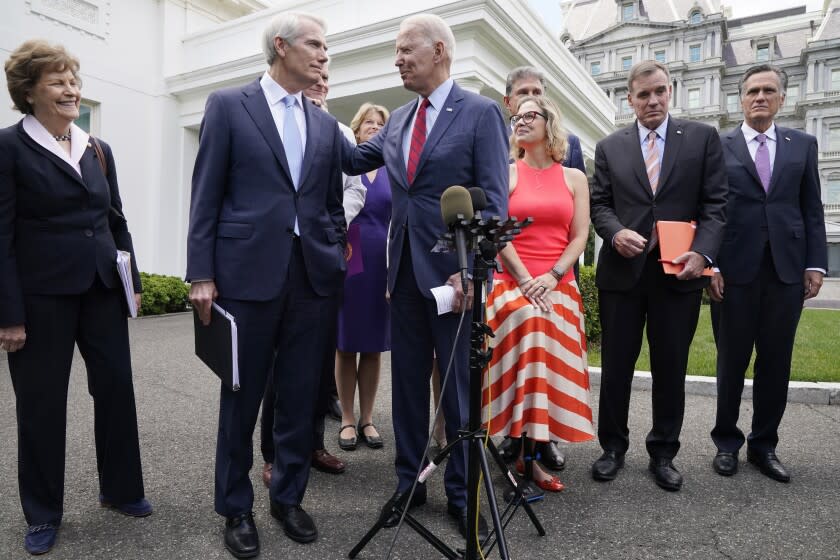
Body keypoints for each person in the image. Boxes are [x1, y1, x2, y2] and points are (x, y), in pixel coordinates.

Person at [341, 13, 509, 539]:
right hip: (405, 276)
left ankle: (462, 493)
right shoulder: (397, 120)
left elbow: (494, 201)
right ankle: (409, 483)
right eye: (396, 51)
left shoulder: (480, 113)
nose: (397, 59)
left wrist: (469, 272)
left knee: (458, 390)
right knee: (409, 387)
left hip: (455, 281)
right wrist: (307, 110)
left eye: (404, 50)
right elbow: (351, 157)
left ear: (439, 50)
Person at [186, 12, 345, 556]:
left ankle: (287, 497)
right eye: (316, 45)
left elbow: (327, 202)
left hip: (312, 277)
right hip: (244, 276)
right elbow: (206, 193)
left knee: (300, 396)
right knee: (241, 395)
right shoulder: (229, 105)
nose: (325, 55)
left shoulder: (324, 123)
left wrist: (334, 247)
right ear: (281, 46)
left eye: (327, 47)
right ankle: (235, 508)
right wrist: (201, 272)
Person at [0, 40, 151, 555]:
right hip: (42, 298)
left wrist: (131, 285)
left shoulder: (97, 147)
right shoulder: (8, 147)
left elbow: (116, 220)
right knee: (42, 405)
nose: (71, 88)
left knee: (116, 389)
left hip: (102, 290)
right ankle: (43, 512)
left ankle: (122, 489)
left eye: (74, 79)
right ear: (29, 90)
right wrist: (9, 315)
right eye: (58, 80)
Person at [590, 60, 727, 492]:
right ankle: (612, 448)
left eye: (660, 92)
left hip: (678, 276)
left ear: (671, 92)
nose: (653, 101)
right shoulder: (611, 146)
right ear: (628, 99)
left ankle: (664, 452)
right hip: (622, 276)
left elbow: (717, 206)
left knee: (671, 368)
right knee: (616, 368)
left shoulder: (702, 138)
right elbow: (599, 205)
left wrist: (703, 252)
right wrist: (614, 234)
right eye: (643, 94)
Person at [709, 64, 827, 482]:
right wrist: (712, 264)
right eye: (753, 91)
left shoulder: (803, 144)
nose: (760, 97)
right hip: (733, 272)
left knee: (776, 362)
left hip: (786, 271)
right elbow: (710, 210)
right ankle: (726, 443)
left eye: (768, 91)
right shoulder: (717, 146)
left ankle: (764, 446)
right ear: (740, 98)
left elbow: (812, 208)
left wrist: (815, 263)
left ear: (782, 98)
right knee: (731, 362)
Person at [259, 63, 366, 485]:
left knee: (319, 361)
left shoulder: (337, 132)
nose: (320, 85)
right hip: (279, 258)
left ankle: (313, 444)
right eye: (315, 79)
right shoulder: (274, 119)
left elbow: (354, 188)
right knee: (278, 367)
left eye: (326, 82)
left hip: (323, 258)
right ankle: (273, 453)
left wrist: (332, 231)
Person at [482, 96, 595, 493]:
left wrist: (553, 275)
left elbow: (580, 234)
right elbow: (494, 230)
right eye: (517, 117)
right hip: (513, 286)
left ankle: (531, 457)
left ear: (551, 123)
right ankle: (517, 458)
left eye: (531, 115)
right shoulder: (506, 172)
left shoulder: (574, 178)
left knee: (546, 328)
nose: (521, 121)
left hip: (558, 285)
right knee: (532, 325)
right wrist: (528, 279)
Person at [335, 102, 392, 452]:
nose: (374, 126)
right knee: (345, 343)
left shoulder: (392, 167)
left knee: (373, 345)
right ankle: (345, 418)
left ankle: (368, 418)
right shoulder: (349, 164)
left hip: (382, 260)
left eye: (380, 123)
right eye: (368, 122)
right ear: (357, 130)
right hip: (350, 255)